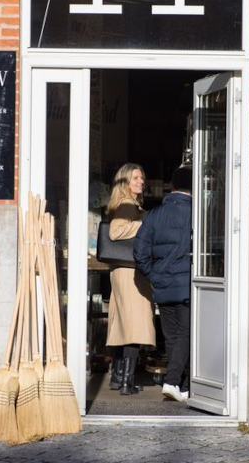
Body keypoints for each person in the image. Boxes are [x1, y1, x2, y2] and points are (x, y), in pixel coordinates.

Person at [134, 166, 192, 402]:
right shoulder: (198, 213)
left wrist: (154, 275)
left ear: (172, 186)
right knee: (186, 333)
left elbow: (139, 251)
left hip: (163, 284)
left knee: (171, 336)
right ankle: (172, 380)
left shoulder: (154, 214)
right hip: (188, 284)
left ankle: (181, 385)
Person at [105, 163, 156, 395]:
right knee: (135, 326)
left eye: (142, 178)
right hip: (130, 273)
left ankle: (117, 378)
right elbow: (116, 232)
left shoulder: (126, 203)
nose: (140, 182)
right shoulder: (127, 204)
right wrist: (145, 224)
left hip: (122, 271)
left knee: (123, 324)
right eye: (135, 178)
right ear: (124, 181)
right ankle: (127, 382)